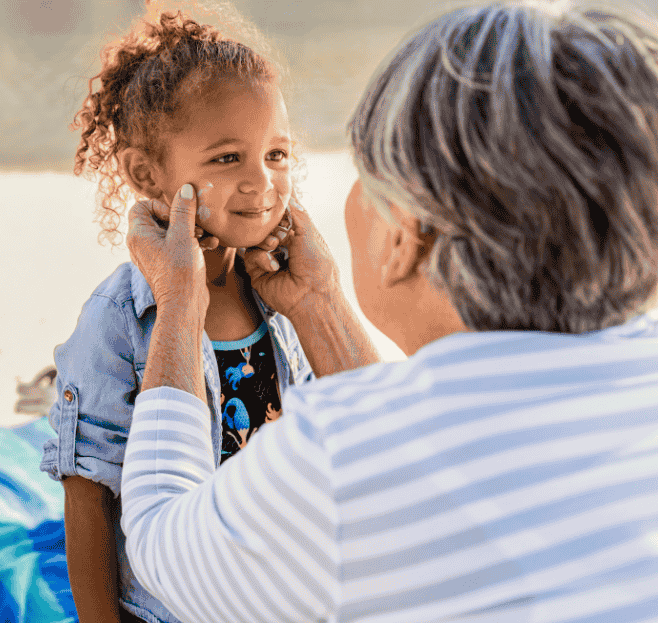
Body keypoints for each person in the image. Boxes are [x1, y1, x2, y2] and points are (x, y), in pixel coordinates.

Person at [118, 2, 658, 622]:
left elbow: (161, 541)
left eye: (364, 173)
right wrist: (319, 309)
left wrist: (180, 303)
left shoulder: (339, 463)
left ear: (404, 235)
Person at [37, 8, 367, 623]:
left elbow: (350, 435)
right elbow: (88, 508)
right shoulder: (116, 323)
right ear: (146, 174)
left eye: (276, 153)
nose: (261, 182)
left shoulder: (284, 291)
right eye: (226, 159)